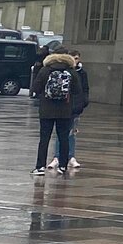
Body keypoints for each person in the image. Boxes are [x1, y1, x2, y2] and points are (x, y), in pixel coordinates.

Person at [31, 47, 77, 176]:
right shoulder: (71, 71)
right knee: (63, 138)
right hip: (65, 110)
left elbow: (36, 87)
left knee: (44, 139)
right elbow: (77, 90)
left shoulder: (45, 70)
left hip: (47, 110)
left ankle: (40, 167)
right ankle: (63, 166)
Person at [63, 51, 90, 169]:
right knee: (61, 133)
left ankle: (71, 156)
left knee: (72, 133)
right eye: (73, 58)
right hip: (63, 106)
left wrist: (83, 102)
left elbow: (85, 89)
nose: (75, 60)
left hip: (76, 107)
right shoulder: (65, 72)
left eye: (77, 58)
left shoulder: (82, 73)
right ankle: (58, 156)